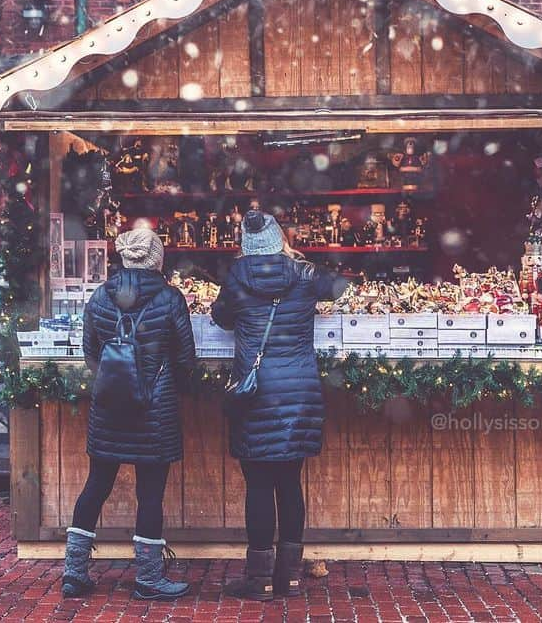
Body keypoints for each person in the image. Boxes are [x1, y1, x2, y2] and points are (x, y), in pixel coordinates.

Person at [210, 210, 348, 599]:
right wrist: (298, 263)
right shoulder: (303, 274)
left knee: (258, 483)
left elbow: (220, 318)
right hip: (299, 390)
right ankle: (288, 577)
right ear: (279, 238)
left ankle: (260, 579)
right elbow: (340, 288)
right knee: (290, 481)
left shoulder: (237, 277)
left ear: (245, 243)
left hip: (256, 393)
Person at [62, 224, 195, 601]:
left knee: (96, 485)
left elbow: (91, 354)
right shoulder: (170, 299)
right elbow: (186, 358)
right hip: (155, 409)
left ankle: (73, 573)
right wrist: (163, 383)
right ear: (156, 257)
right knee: (150, 494)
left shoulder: (100, 298)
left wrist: (117, 380)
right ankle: (149, 578)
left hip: (109, 408)